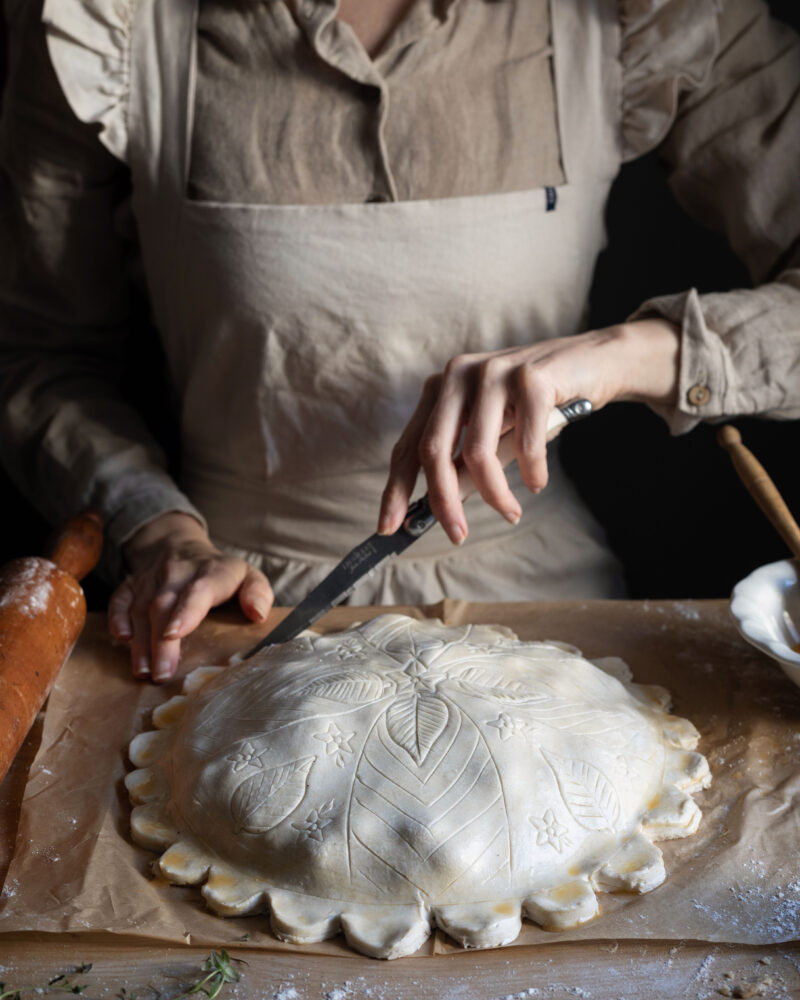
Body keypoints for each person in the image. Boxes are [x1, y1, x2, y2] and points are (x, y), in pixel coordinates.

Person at [0, 0, 798, 683]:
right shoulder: (111, 24)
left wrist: (629, 355)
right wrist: (156, 531)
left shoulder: (638, 15)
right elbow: (41, 357)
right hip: (229, 611)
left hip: (543, 609)